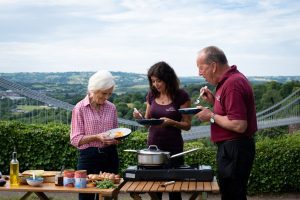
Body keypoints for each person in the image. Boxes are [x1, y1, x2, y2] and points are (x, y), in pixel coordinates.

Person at [194, 46, 257, 200]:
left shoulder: (232, 84)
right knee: (231, 194)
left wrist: (211, 116)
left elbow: (239, 125)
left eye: (201, 68)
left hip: (235, 148)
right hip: (233, 148)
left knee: (232, 195)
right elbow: (229, 111)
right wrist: (213, 100)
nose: (199, 73)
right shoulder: (228, 81)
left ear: (214, 66)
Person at [133, 61, 192, 200]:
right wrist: (139, 117)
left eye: (159, 81)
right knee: (154, 189)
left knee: (174, 189)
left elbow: (187, 125)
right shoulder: (152, 95)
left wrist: (172, 122)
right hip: (153, 149)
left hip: (174, 149)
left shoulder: (181, 96)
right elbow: (147, 123)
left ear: (168, 79)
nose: (155, 85)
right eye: (153, 81)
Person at [70, 70, 120, 200]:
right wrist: (97, 137)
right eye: (104, 93)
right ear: (94, 89)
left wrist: (115, 140)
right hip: (89, 157)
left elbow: (117, 134)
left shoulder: (112, 108)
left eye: (109, 94)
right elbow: (75, 139)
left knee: (109, 196)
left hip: (110, 156)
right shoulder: (79, 108)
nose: (107, 97)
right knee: (86, 197)